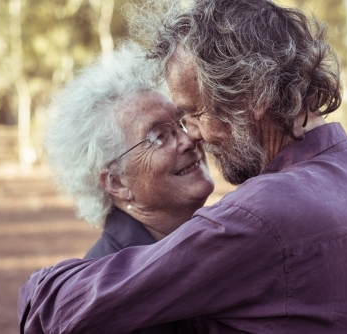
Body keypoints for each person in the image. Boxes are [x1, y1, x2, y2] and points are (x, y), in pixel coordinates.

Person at [18, 1, 347, 333]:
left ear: (249, 96)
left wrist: (39, 289)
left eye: (191, 114)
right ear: (115, 182)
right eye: (161, 133)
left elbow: (52, 308)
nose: (193, 136)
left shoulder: (264, 215)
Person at [17, 43, 214, 334]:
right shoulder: (107, 298)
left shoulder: (202, 246)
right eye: (159, 136)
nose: (188, 140)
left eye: (182, 123)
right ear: (116, 182)